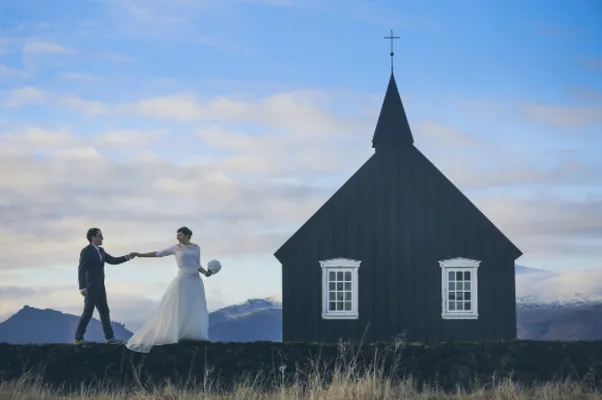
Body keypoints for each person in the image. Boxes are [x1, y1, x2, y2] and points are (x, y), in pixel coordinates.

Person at [125, 226, 213, 353]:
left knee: (194, 305)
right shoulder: (176, 248)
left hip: (195, 279)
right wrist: (139, 254)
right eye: (177, 235)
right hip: (182, 278)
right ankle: (177, 333)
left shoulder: (196, 247)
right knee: (178, 305)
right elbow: (158, 254)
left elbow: (197, 264)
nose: (178, 237)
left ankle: (191, 333)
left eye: (180, 235)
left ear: (188, 235)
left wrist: (206, 273)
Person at [74, 228, 136, 344]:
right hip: (90, 288)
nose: (102, 238)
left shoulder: (101, 251)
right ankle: (78, 338)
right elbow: (81, 269)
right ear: (93, 237)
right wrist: (82, 287)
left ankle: (109, 338)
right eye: (100, 235)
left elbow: (112, 260)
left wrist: (127, 257)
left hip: (100, 288)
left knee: (104, 312)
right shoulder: (86, 251)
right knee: (88, 312)